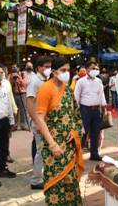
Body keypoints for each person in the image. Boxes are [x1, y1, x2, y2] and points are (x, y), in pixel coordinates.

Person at [35, 57, 84, 205]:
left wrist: (75, 131)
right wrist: (52, 144)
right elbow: (39, 119)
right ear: (54, 72)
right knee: (56, 184)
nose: (66, 73)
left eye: (68, 70)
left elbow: (75, 114)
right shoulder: (46, 88)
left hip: (69, 145)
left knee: (71, 181)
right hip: (53, 147)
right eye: (63, 70)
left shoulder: (67, 89)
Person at [26, 56, 52, 190]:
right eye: (46, 67)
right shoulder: (35, 82)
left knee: (43, 149)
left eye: (49, 67)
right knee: (41, 150)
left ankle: (41, 175)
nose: (49, 69)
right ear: (38, 68)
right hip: (39, 122)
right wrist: (37, 121)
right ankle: (36, 180)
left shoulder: (43, 80)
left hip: (44, 121)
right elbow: (30, 102)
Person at [74, 61, 107, 161]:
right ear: (87, 69)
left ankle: (94, 154)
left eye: (97, 69)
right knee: (83, 133)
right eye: (93, 68)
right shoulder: (81, 81)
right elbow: (76, 96)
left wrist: (104, 107)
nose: (95, 70)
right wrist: (76, 110)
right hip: (85, 110)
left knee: (96, 132)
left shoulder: (99, 81)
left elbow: (101, 95)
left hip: (97, 110)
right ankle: (78, 155)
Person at [9, 64, 29, 130]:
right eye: (12, 67)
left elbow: (25, 84)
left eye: (15, 67)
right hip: (14, 93)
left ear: (18, 68)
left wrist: (19, 77)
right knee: (14, 109)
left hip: (22, 93)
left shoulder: (23, 74)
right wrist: (12, 79)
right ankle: (15, 125)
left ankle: (23, 125)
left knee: (23, 109)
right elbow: (9, 85)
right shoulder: (10, 75)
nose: (14, 68)